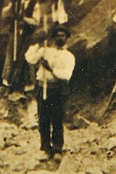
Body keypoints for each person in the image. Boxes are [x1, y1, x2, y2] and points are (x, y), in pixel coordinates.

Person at [25, 25, 75, 162]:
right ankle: (46, 149)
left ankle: (58, 149)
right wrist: (38, 43)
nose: (60, 37)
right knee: (43, 120)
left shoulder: (68, 56)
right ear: (53, 37)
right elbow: (29, 58)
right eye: (57, 35)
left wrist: (50, 70)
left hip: (58, 90)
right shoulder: (46, 51)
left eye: (63, 35)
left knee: (57, 119)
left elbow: (66, 76)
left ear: (66, 38)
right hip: (43, 88)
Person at [1, 0, 40, 89]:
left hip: (27, 34)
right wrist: (12, 4)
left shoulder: (35, 5)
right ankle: (6, 79)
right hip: (15, 32)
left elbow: (36, 22)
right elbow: (4, 14)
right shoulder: (17, 1)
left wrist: (23, 18)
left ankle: (24, 82)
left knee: (23, 57)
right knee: (10, 54)